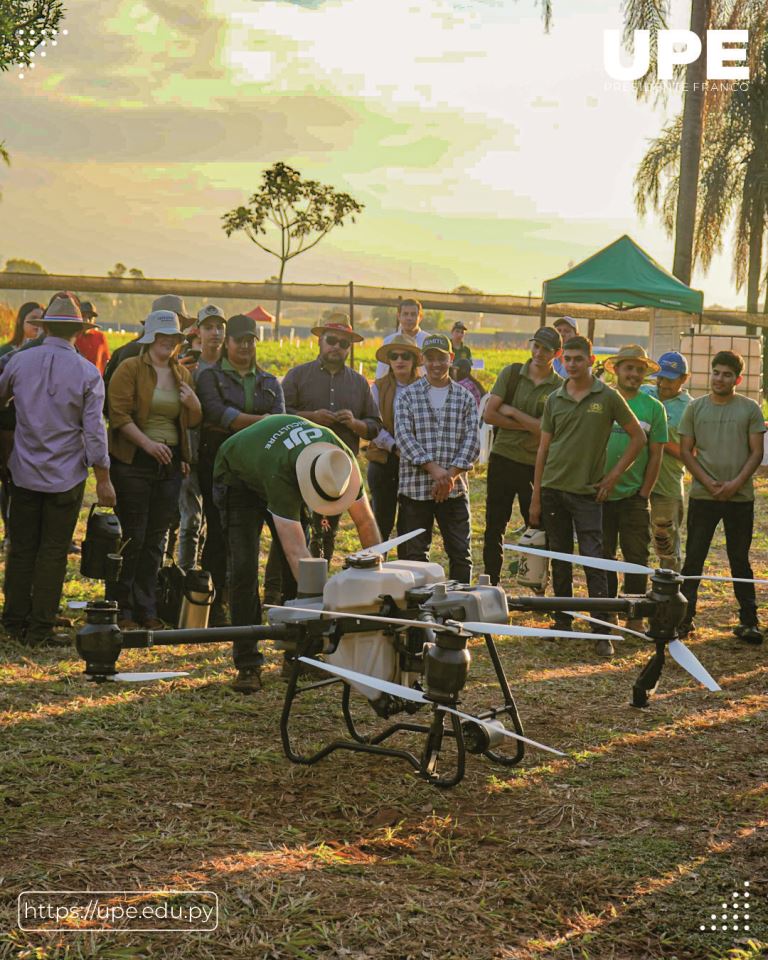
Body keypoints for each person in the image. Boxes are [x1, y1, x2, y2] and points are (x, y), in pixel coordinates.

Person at [213, 414, 382, 692]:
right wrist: (325, 606)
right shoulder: (280, 474)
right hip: (238, 475)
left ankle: (299, 656)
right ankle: (248, 664)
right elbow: (295, 554)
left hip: (280, 463)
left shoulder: (342, 463)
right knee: (245, 569)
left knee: (299, 578)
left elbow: (365, 522)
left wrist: (378, 572)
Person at [0, 295, 115, 646]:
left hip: (23, 470)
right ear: (79, 332)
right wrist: (104, 478)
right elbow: (95, 431)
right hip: (66, 474)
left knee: (20, 547)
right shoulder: (86, 372)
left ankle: (12, 621)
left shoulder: (19, 362)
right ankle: (39, 627)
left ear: (45, 326)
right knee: (53, 550)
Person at [529, 335, 645, 657]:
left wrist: (613, 476)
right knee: (561, 558)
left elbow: (638, 437)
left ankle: (601, 629)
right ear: (561, 360)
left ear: (591, 361)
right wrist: (536, 496)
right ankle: (564, 621)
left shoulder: (607, 397)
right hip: (553, 489)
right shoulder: (554, 398)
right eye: (568, 359)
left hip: (587, 494)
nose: (572, 364)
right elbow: (543, 448)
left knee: (594, 560)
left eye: (579, 358)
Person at [107, 310, 201, 629]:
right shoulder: (130, 368)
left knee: (157, 538)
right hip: (134, 461)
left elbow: (192, 421)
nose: (168, 343)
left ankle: (146, 608)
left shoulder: (181, 375)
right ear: (151, 339)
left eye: (173, 338)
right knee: (133, 535)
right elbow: (118, 416)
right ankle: (120, 608)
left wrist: (194, 407)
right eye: (162, 337)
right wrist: (148, 444)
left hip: (169, 463)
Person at [197, 313, 284, 624]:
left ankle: (263, 607)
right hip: (223, 470)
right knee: (220, 537)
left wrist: (247, 423)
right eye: (240, 340)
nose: (246, 345)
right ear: (228, 343)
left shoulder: (270, 381)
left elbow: (280, 422)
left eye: (250, 340)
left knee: (268, 544)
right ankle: (216, 603)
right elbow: (220, 414)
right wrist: (262, 423)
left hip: (263, 474)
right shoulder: (209, 377)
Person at [678, 350, 766, 644]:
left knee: (739, 559)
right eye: (716, 372)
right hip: (704, 496)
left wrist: (735, 484)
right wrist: (708, 482)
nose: (720, 378)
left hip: (740, 498)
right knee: (694, 559)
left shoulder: (750, 409)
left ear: (737, 379)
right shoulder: (695, 408)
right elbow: (685, 451)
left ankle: (750, 621)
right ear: (710, 374)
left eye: (727, 374)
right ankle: (684, 619)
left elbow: (756, 452)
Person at [282, 314, 381, 560]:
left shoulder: (359, 383)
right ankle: (280, 590)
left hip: (338, 470)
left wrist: (355, 424)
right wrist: (311, 417)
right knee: (291, 529)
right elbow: (279, 415)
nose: (336, 346)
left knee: (326, 533)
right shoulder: (297, 375)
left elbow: (374, 426)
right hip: (298, 464)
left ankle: (319, 584)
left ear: (349, 348)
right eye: (332, 340)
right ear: (320, 341)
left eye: (343, 343)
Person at [395, 333, 480, 582]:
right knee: (416, 556)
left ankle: (459, 608)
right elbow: (404, 438)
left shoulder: (464, 397)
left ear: (450, 358)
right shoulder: (408, 396)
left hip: (453, 491)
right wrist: (435, 471)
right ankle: (419, 612)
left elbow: (472, 442)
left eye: (441, 358)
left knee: (460, 554)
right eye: (430, 358)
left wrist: (450, 476)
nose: (435, 364)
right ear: (422, 359)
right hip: (416, 489)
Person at [482, 327, 563, 585]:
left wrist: (513, 413)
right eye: (536, 346)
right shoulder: (511, 373)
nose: (538, 353)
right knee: (495, 525)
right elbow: (489, 414)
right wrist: (532, 425)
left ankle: (536, 580)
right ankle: (491, 581)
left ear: (557, 353)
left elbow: (545, 432)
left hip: (535, 465)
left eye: (546, 349)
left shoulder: (559, 388)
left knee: (537, 525)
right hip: (503, 459)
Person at [601, 346, 667, 619]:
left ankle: (635, 614)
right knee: (602, 557)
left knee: (636, 557)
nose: (634, 374)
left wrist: (644, 493)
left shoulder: (653, 407)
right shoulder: (602, 400)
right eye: (629, 368)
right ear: (616, 370)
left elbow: (656, 455)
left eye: (640, 370)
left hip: (633, 496)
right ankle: (607, 612)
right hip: (599, 493)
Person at [175, 304, 227, 574]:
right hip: (191, 450)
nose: (215, 333)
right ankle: (184, 575)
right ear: (198, 332)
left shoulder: (232, 367)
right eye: (209, 327)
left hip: (220, 453)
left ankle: (208, 577)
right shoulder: (184, 366)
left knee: (216, 520)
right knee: (191, 519)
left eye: (219, 327)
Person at [365, 334, 422, 541]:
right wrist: (394, 447)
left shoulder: (425, 387)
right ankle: (377, 566)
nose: (399, 360)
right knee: (381, 520)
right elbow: (373, 424)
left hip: (417, 464)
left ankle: (407, 566)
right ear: (388, 361)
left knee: (411, 523)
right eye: (394, 356)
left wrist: (412, 452)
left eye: (405, 356)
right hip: (384, 460)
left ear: (414, 360)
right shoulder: (377, 387)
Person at [640, 351, 693, 571]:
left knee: (666, 545)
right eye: (660, 377)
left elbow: (691, 453)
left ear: (684, 378)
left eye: (670, 380)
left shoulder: (690, 408)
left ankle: (670, 597)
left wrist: (656, 440)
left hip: (666, 485)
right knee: (635, 544)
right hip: (635, 482)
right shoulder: (643, 393)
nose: (662, 384)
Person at [104, 294, 196, 388]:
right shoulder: (133, 351)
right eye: (167, 320)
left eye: (177, 321)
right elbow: (121, 391)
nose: (173, 325)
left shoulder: (176, 355)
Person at [374, 299, 432, 378]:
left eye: (413, 314)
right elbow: (381, 373)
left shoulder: (429, 341)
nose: (409, 318)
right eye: (405, 314)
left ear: (420, 317)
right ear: (398, 316)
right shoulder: (389, 341)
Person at [74, 302, 111, 374]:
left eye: (90, 317)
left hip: (95, 380)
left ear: (94, 320)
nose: (87, 320)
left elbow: (106, 360)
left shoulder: (100, 337)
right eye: (84, 316)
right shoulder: (72, 337)